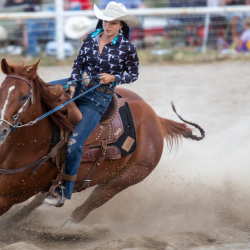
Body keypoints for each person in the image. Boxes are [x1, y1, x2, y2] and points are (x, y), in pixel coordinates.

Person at [43, 1, 140, 207]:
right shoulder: (90, 38)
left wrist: (113, 78)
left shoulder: (127, 48)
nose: (108, 25)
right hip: (78, 85)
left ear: (121, 25)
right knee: (40, 91)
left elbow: (133, 75)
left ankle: (64, 191)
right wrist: (70, 83)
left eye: (113, 23)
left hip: (98, 98)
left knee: (74, 143)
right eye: (106, 21)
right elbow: (78, 64)